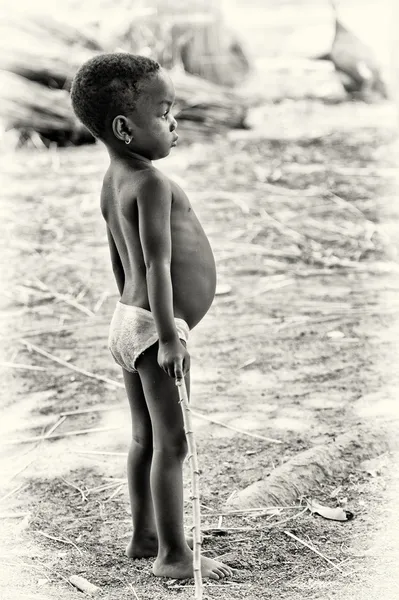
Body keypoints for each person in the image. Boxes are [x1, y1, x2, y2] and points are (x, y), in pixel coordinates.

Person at [71, 53, 233, 581]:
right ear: (124, 127)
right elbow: (157, 267)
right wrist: (168, 337)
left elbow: (120, 260)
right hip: (153, 329)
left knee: (144, 438)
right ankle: (173, 555)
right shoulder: (152, 184)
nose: (173, 123)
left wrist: (132, 318)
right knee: (173, 442)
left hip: (128, 322)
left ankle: (143, 535)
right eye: (164, 113)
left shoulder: (112, 179)